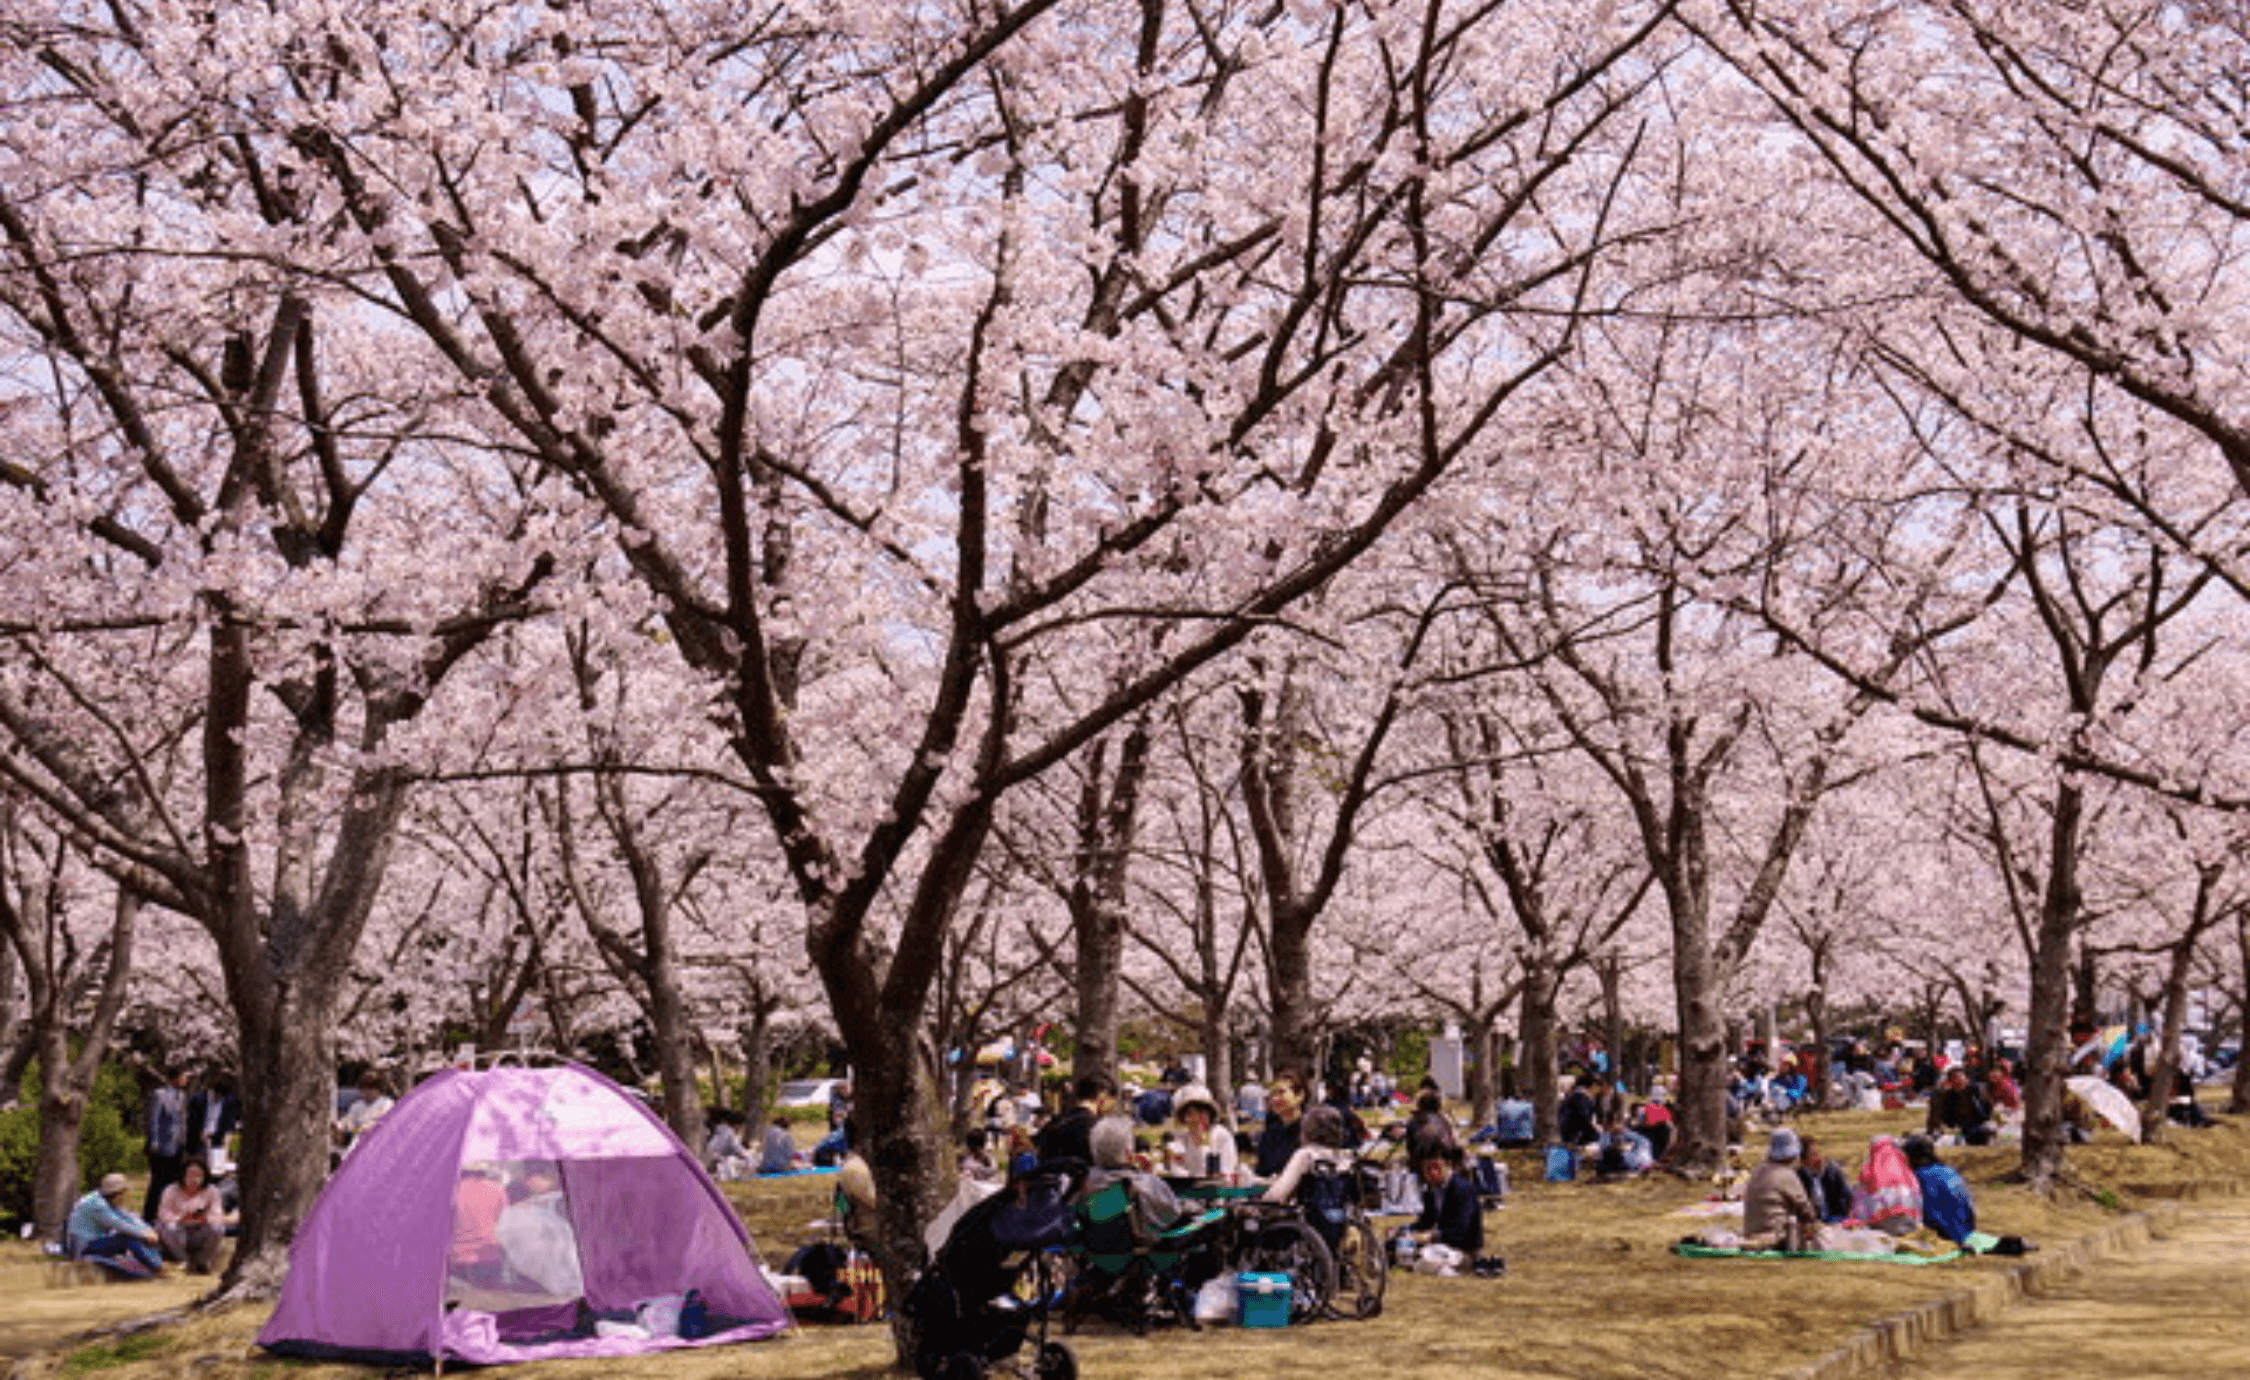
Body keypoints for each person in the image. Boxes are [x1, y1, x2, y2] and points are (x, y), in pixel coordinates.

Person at [1084, 1115, 1183, 1240]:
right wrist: (1148, 1175)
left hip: (1094, 1250)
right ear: (1128, 1152)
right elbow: (1173, 1214)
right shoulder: (1141, 1184)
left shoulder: (1085, 1182)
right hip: (1140, 1251)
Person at [1407, 1147, 1489, 1271]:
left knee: (1421, 1263)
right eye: (1427, 1169)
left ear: (1448, 1165)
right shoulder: (1431, 1191)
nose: (1432, 1173)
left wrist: (1433, 1235)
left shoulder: (1462, 1189)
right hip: (1441, 1245)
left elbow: (1461, 1229)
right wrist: (1404, 1230)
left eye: (1436, 1168)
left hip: (1463, 1249)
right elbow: (1426, 1221)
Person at [68, 1172, 164, 1277]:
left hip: (95, 1241)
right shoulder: (97, 1205)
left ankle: (157, 1264)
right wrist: (144, 1234)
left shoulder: (104, 1200)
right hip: (85, 1246)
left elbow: (128, 1217)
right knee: (129, 1238)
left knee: (139, 1236)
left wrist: (148, 1231)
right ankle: (157, 1267)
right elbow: (119, 1224)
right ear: (118, 1193)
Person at [1742, 1128, 1820, 1249]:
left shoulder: (1758, 1171)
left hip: (1750, 1233)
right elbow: (1807, 1212)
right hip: (1776, 1237)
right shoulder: (1787, 1175)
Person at [155, 1157, 228, 1274]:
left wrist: (205, 1218)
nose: (195, 1179)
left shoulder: (212, 1191)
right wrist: (180, 1218)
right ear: (183, 1175)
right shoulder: (171, 1190)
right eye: (191, 1175)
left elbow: (218, 1215)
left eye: (199, 1175)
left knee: (218, 1228)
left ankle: (202, 1262)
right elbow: (163, 1214)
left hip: (201, 1230)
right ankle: (184, 1261)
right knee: (169, 1228)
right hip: (179, 1232)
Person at [1901, 1135, 1976, 1244]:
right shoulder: (1948, 1170)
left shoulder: (1921, 1176)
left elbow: (1931, 1210)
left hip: (1947, 1233)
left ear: (1913, 1157)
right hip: (1967, 1229)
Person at [449, 1164, 510, 1289]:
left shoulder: (452, 1190)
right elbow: (505, 1223)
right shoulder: (497, 1189)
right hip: (490, 1258)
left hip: (458, 1261)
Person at [1849, 1134, 1923, 1235]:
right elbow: (1918, 1207)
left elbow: (1861, 1213)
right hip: (1910, 1228)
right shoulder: (1910, 1178)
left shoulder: (1869, 1177)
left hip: (1880, 1230)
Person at [1035, 1073, 1113, 1167]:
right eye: (1112, 1099)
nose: (1113, 1105)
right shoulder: (1100, 1128)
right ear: (1101, 1094)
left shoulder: (1053, 1124)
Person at [144, 1069, 191, 1223]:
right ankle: (149, 1216)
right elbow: (154, 1120)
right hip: (162, 1145)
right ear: (174, 1078)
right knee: (158, 1182)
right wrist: (154, 1141)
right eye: (183, 1076)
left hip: (178, 1145)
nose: (185, 1080)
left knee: (173, 1182)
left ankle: (167, 1213)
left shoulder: (182, 1097)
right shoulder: (160, 1095)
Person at [1167, 1084, 1239, 1179]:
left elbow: (1225, 1171)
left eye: (1200, 1113)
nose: (1194, 1118)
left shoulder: (1222, 1135)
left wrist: (1202, 1143)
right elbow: (1176, 1168)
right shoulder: (1182, 1138)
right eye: (1190, 1114)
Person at [1252, 1072, 1309, 1178]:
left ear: (1300, 1095)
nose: (1275, 1099)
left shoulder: (1310, 1132)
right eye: (1273, 1094)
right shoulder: (1270, 1133)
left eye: (1281, 1092)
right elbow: (1261, 1171)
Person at [1925, 1065, 1994, 1145]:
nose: (1958, 1081)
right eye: (1954, 1079)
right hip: (1960, 1131)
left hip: (1979, 1127)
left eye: (1960, 1078)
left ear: (1966, 1079)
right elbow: (1942, 1118)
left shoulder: (1977, 1091)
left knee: (1987, 1130)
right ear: (1950, 1082)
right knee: (1954, 1139)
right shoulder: (1947, 1096)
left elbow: (1987, 1113)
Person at [334, 1070, 394, 1155]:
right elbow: (349, 1119)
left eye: (370, 1089)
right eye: (363, 1089)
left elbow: (381, 1121)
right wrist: (342, 1125)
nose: (366, 1093)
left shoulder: (385, 1103)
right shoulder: (357, 1105)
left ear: (379, 1090)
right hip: (357, 1137)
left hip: (376, 1139)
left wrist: (364, 1126)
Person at [1404, 1086, 1460, 1173]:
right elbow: (1453, 1143)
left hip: (1419, 1167)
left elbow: (1409, 1147)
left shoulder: (1413, 1120)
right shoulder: (1443, 1120)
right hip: (1442, 1168)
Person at [1796, 1135, 1852, 1223]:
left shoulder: (1833, 1172)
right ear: (1803, 1161)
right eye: (1814, 1155)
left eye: (1819, 1152)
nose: (1820, 1157)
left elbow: (1846, 1198)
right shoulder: (1799, 1177)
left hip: (1835, 1219)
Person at [1556, 1074, 1601, 1148]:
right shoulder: (1581, 1099)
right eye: (1597, 1086)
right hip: (1577, 1139)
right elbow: (1583, 1120)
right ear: (1593, 1086)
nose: (1598, 1090)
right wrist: (1595, 1131)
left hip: (1572, 1136)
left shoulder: (1575, 1097)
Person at [705, 1110, 750, 1179]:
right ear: (737, 1125)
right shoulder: (729, 1132)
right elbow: (740, 1152)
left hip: (709, 1159)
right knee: (745, 1163)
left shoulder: (718, 1129)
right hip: (716, 1161)